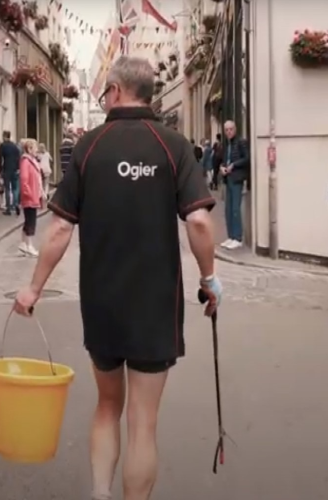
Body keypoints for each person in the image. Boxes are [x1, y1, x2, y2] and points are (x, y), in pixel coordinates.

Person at [12, 56, 221, 500]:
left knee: (107, 406)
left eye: (105, 92)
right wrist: (210, 279)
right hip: (155, 305)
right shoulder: (173, 145)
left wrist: (33, 288)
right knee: (143, 423)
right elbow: (200, 223)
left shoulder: (89, 145)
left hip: (102, 301)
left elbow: (62, 228)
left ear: (116, 91)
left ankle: (101, 495)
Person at [219, 120, 250, 249]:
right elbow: (223, 159)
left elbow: (247, 158)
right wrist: (222, 167)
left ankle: (238, 237)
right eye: (226, 130)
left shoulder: (241, 142)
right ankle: (231, 236)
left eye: (231, 129)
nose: (229, 132)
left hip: (236, 178)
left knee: (235, 209)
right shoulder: (227, 144)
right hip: (228, 178)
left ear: (235, 129)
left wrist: (234, 165)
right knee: (228, 209)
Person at [19, 138, 44, 256]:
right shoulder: (26, 162)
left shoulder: (31, 161)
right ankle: (29, 245)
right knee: (31, 221)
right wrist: (29, 194)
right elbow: (24, 180)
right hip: (30, 197)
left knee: (28, 221)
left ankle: (24, 244)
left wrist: (40, 192)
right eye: (35, 148)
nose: (37, 150)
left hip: (32, 195)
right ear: (29, 149)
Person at [0, 130, 22, 216]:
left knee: (7, 189)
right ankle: (15, 204)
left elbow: (0, 159)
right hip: (15, 169)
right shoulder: (15, 146)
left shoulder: (2, 146)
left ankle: (8, 208)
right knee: (15, 188)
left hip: (7, 169)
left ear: (4, 136)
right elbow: (18, 157)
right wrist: (18, 168)